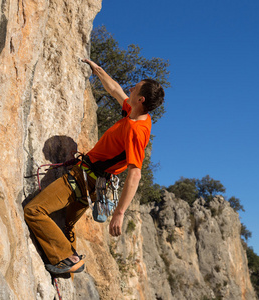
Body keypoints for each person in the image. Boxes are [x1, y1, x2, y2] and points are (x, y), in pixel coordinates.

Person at [24, 58, 165, 274]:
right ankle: (68, 260)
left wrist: (120, 212)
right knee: (65, 225)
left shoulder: (136, 131)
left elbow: (135, 174)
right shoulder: (135, 112)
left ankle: (65, 259)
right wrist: (97, 69)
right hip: (93, 182)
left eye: (134, 88)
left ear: (141, 99)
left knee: (35, 211)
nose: (130, 88)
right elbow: (116, 90)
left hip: (84, 178)